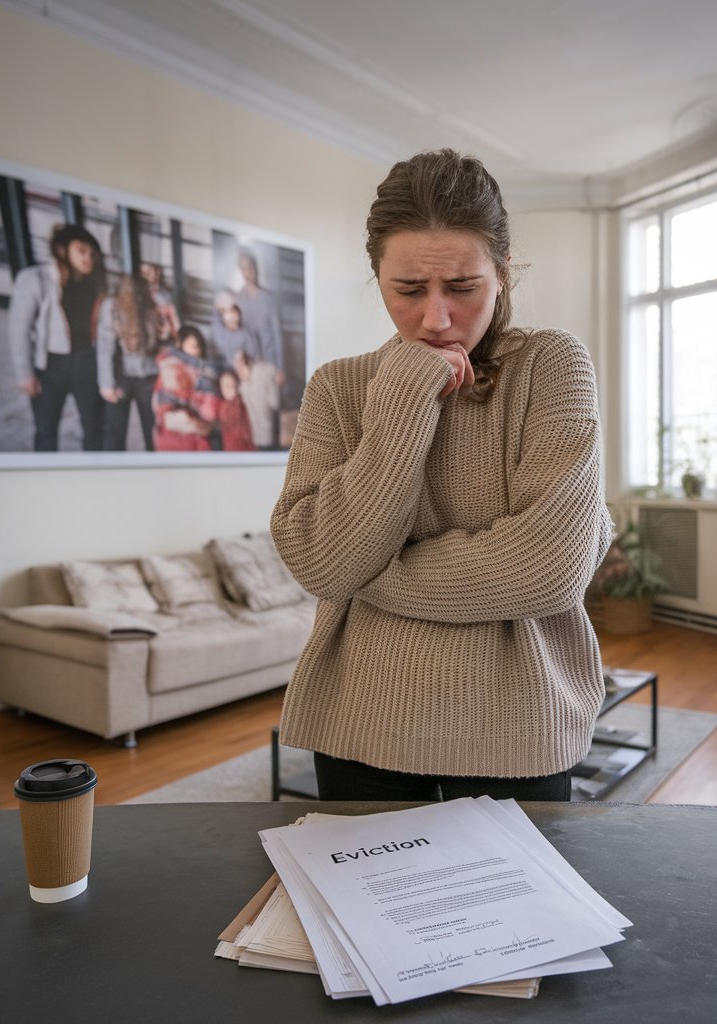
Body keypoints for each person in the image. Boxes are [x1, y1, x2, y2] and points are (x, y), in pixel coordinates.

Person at [270, 149, 612, 802]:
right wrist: (403, 399)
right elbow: (319, 561)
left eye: (462, 287)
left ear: (503, 274)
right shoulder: (339, 388)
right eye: (407, 290)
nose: (435, 318)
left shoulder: (551, 366)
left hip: (516, 725)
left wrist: (372, 573)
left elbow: (550, 568)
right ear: (377, 277)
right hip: (359, 723)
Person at [6, 223, 107, 451]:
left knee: (94, 429)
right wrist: (25, 374)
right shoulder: (35, 279)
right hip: (51, 366)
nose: (88, 258)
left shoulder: (95, 284)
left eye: (92, 253)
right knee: (46, 431)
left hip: (87, 364)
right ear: (62, 250)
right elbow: (19, 328)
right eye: (81, 250)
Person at [96, 273, 160, 450]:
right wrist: (106, 383)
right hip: (120, 377)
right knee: (115, 436)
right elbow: (105, 345)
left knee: (153, 434)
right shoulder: (111, 306)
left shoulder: (150, 303)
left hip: (148, 375)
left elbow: (159, 340)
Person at [235, 250, 284, 448]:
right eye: (244, 268)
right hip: (250, 365)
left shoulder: (268, 298)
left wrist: (280, 367)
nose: (248, 272)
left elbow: (277, 333)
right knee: (255, 413)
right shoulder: (238, 299)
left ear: (256, 268)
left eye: (251, 267)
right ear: (240, 271)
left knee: (273, 408)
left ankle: (274, 451)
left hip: (270, 363)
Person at [152, 325, 219, 451]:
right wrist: (197, 425)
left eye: (199, 346)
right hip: (177, 436)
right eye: (193, 346)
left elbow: (210, 407)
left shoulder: (205, 371)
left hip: (199, 437)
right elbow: (164, 408)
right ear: (180, 345)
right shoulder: (172, 369)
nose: (197, 351)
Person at [139, 261, 181, 345]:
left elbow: (173, 321)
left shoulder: (164, 296)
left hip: (162, 338)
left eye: (150, 271)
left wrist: (173, 333)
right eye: (144, 273)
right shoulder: (139, 296)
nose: (146, 275)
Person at [215, 368, 255, 451]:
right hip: (229, 448)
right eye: (224, 386)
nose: (228, 389)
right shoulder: (223, 404)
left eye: (231, 385)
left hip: (240, 449)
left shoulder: (238, 403)